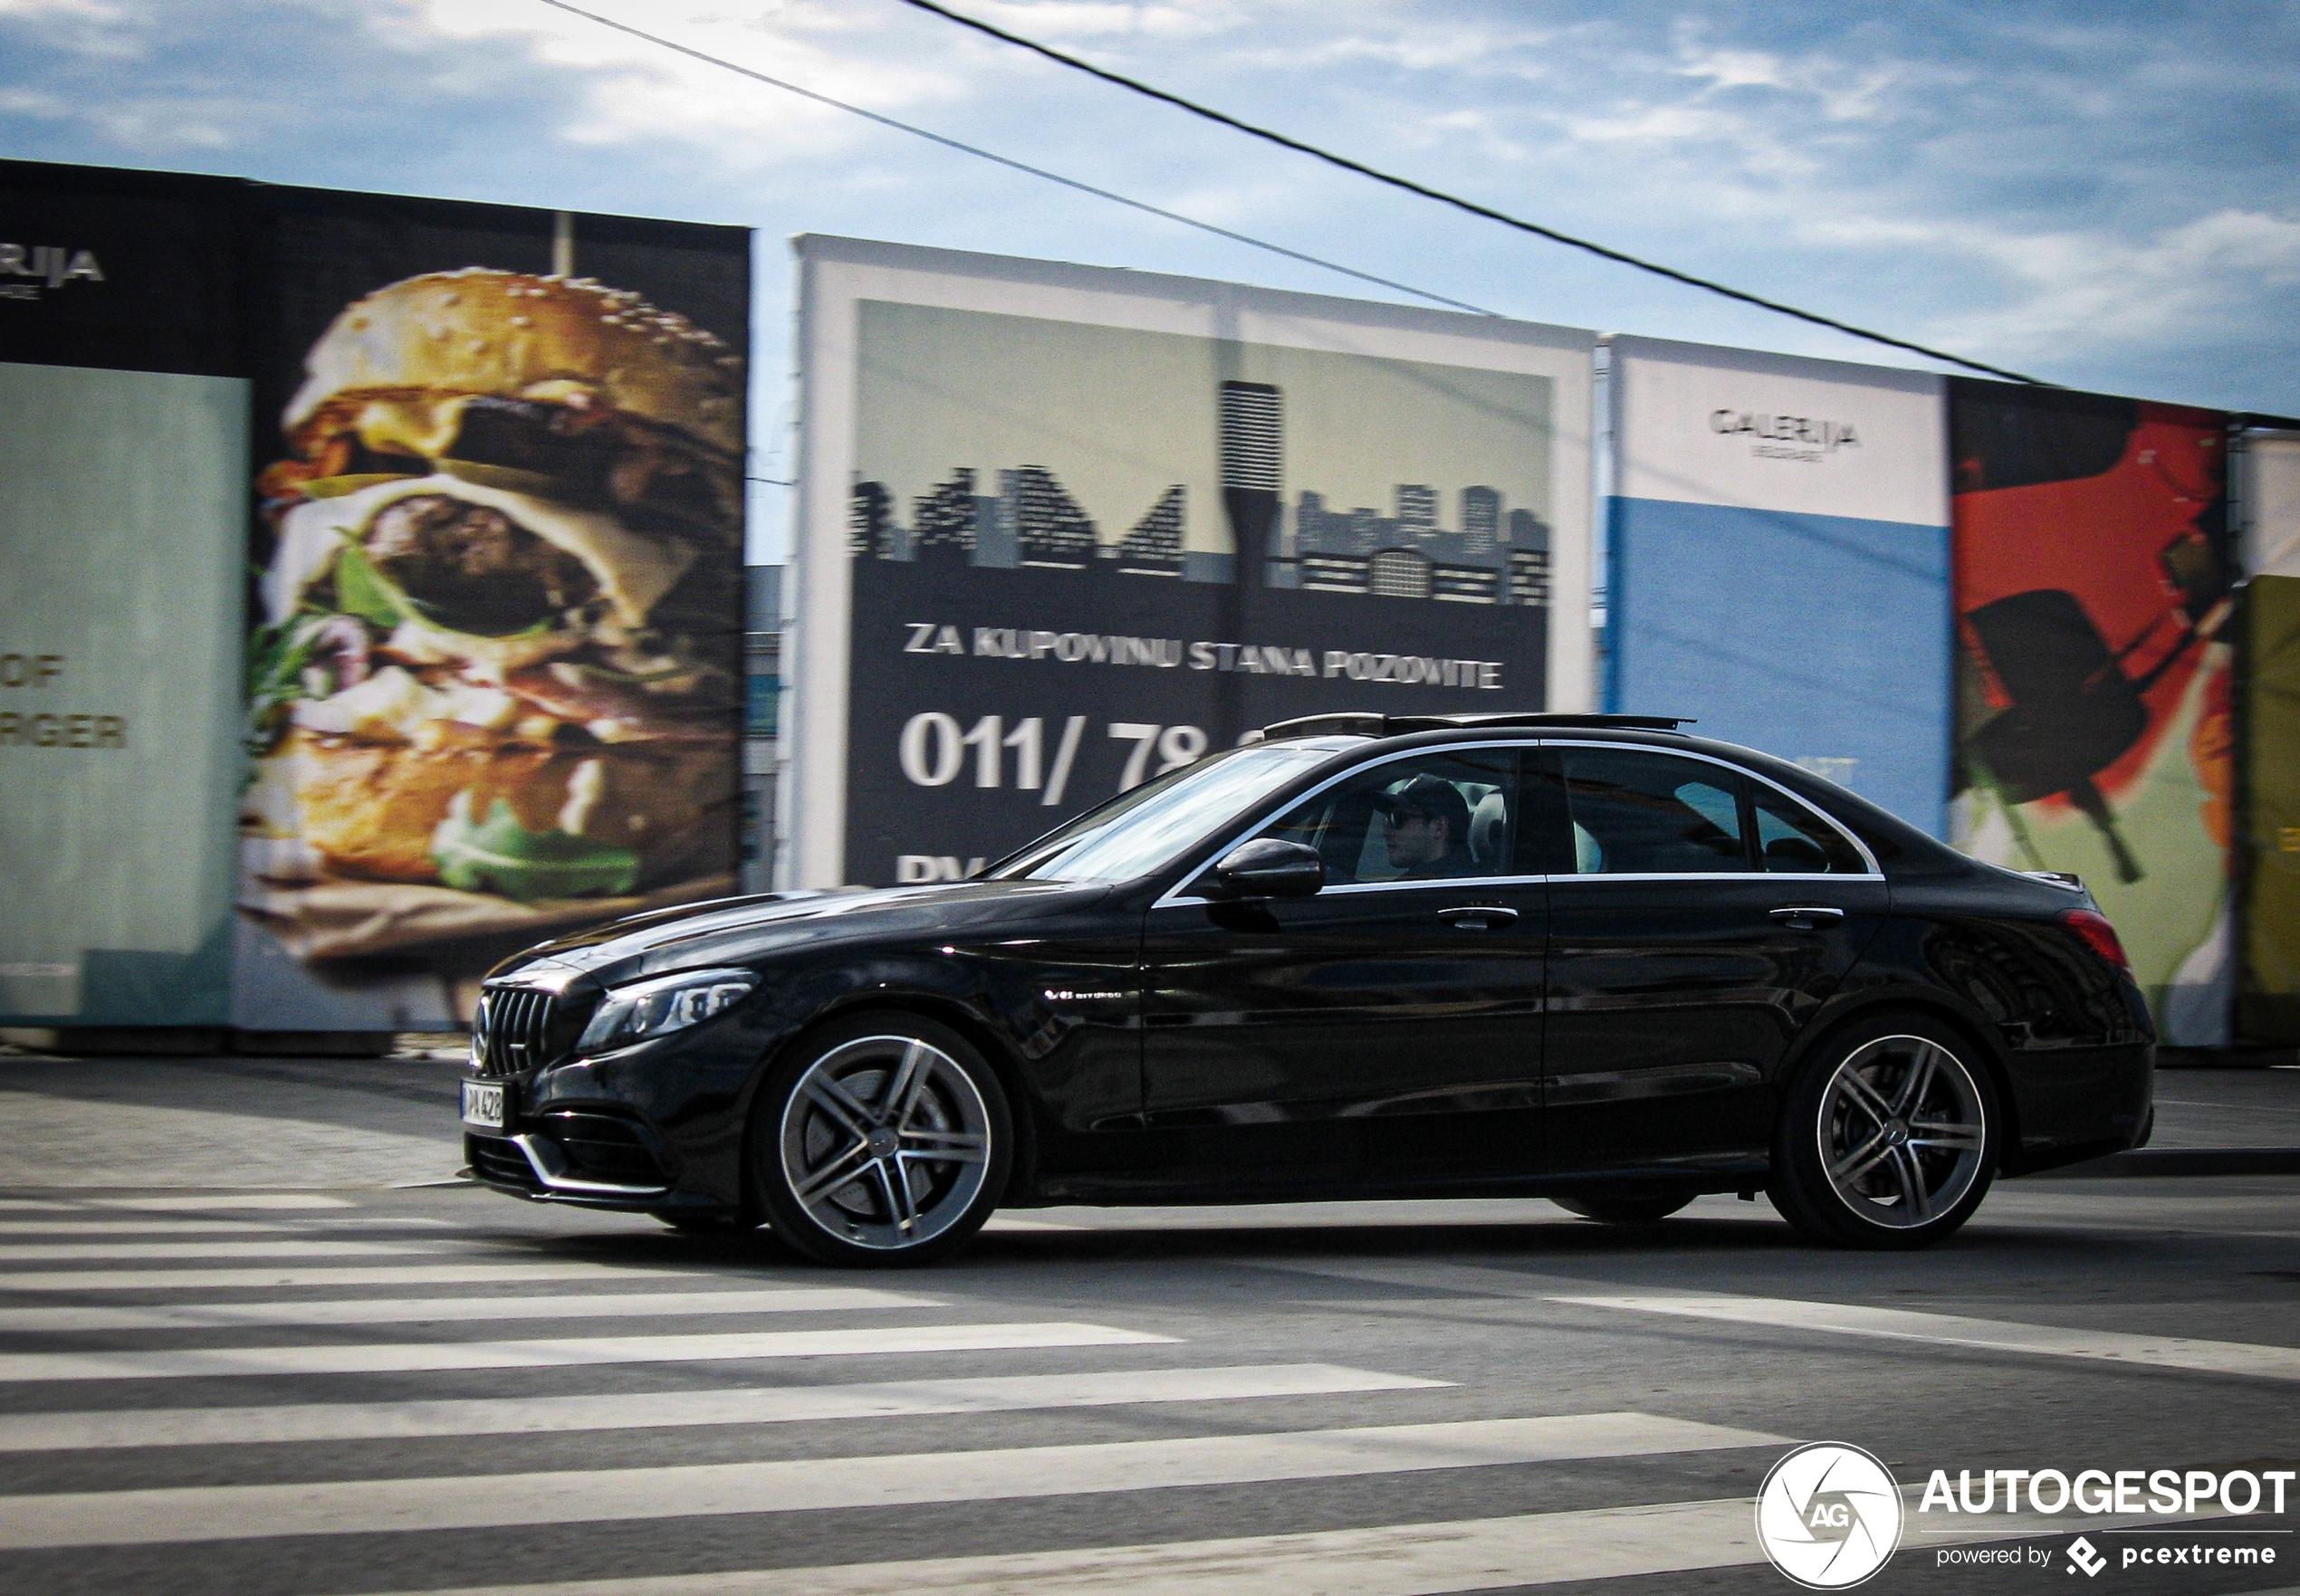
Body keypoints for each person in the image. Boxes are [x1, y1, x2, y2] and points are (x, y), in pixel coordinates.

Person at [1373, 773, 1476, 879]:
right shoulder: (1466, 882)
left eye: (1398, 818)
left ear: (1439, 827)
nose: (1386, 833)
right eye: (1387, 820)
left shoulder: (1449, 890)